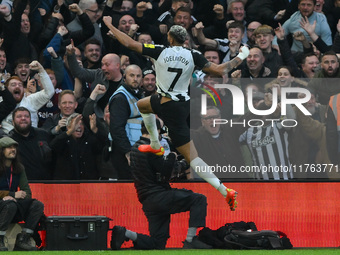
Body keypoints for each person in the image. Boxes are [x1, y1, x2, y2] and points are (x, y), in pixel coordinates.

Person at [104, 18, 250, 210]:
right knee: (143, 104)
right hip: (180, 106)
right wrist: (243, 55)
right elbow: (220, 69)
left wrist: (109, 24)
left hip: (165, 102)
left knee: (191, 156)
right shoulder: (193, 54)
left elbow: (129, 43)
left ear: (170, 39)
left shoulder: (160, 50)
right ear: (185, 41)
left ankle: (155, 144)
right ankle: (224, 190)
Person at [110, 120, 211, 250]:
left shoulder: (135, 147)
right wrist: (183, 160)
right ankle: (190, 239)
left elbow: (157, 170)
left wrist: (174, 160)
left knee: (157, 244)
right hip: (159, 196)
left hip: (148, 201)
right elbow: (167, 174)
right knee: (199, 199)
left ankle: (126, 233)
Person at [0, 136, 44, 251]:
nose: (13, 149)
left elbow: (27, 192)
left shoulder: (19, 168)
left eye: (14, 147)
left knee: (37, 205)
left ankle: (23, 239)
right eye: (9, 147)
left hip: (13, 205)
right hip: (3, 205)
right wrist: (11, 195)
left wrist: (17, 197)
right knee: (10, 204)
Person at [108, 64, 144, 179]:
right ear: (124, 77)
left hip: (135, 149)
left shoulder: (137, 94)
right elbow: (117, 129)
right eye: (132, 75)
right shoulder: (120, 98)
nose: (135, 79)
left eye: (138, 76)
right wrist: (127, 152)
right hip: (124, 152)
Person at [1, 61, 55, 133]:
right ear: (7, 88)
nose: (17, 86)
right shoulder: (1, 102)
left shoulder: (30, 100)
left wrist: (41, 70)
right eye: (13, 85)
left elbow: (49, 92)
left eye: (20, 85)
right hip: (8, 141)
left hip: (30, 140)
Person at [9, 107, 53, 180]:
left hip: (47, 183)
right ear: (13, 122)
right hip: (21, 185)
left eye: (26, 116)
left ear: (31, 120)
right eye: (19, 116)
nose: (23, 118)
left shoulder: (43, 134)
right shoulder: (10, 140)